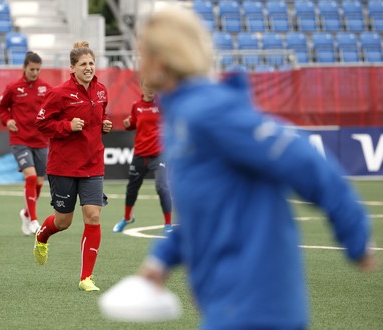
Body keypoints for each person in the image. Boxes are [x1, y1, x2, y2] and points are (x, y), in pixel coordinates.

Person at [133, 8, 379, 329]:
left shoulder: (209, 112)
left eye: (142, 52)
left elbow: (305, 160)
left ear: (161, 61)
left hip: (256, 307)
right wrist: (162, 259)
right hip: (227, 305)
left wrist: (355, 234)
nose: (138, 61)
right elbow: (207, 209)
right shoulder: (180, 119)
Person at [33, 41, 112, 292]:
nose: (88, 68)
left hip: (93, 164)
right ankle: (42, 236)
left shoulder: (101, 91)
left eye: (91, 63)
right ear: (72, 68)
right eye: (83, 64)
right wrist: (67, 126)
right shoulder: (59, 93)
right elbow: (41, 123)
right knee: (63, 221)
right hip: (63, 166)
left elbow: (102, 115)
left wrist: (105, 123)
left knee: (94, 216)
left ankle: (86, 278)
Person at [0, 51, 52, 236]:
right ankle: (34, 220)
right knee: (30, 177)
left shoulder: (46, 88)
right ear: (24, 68)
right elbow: (2, 107)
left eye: (38, 69)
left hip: (40, 140)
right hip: (20, 139)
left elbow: (53, 109)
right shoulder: (13, 87)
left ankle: (26, 213)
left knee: (38, 181)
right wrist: (7, 120)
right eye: (32, 69)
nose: (35, 73)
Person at [112, 80, 172, 234]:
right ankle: (127, 218)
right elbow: (133, 123)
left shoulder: (162, 105)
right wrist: (128, 123)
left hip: (159, 154)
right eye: (148, 86)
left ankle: (168, 224)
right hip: (140, 154)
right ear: (142, 87)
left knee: (162, 187)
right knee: (132, 188)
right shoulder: (136, 106)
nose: (151, 89)